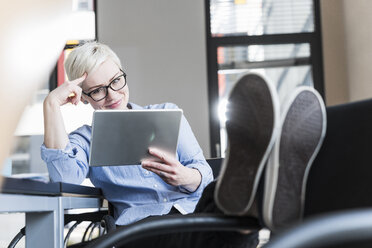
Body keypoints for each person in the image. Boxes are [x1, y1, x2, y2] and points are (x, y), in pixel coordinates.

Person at [41, 42, 326, 248]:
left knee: (216, 193)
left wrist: (186, 177)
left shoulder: (167, 112)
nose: (112, 94)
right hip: (140, 229)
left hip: (194, 211)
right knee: (222, 228)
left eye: (116, 80)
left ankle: (250, 188)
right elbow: (63, 178)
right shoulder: (85, 138)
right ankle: (259, 204)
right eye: (98, 90)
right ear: (84, 96)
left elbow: (201, 168)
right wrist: (51, 104)